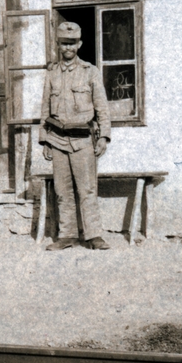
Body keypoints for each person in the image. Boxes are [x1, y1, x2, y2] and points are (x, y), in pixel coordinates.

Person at [39, 21, 112, 250]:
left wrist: (104, 136)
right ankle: (67, 235)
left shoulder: (90, 72)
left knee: (87, 189)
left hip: (82, 141)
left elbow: (102, 107)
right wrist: (45, 140)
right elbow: (44, 108)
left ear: (79, 44)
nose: (67, 48)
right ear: (58, 45)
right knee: (62, 191)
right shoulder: (51, 73)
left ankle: (93, 236)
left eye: (72, 43)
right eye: (63, 44)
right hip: (57, 140)